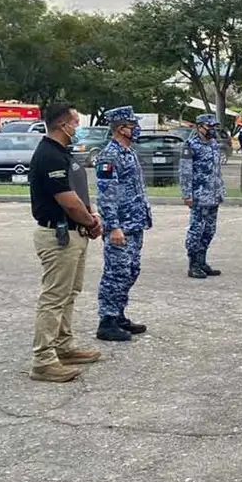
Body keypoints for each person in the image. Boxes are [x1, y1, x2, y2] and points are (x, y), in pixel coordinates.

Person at [27, 102, 103, 382]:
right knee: (54, 297)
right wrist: (91, 222)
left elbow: (78, 194)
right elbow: (68, 202)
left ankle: (62, 346)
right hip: (58, 235)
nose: (78, 128)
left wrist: (89, 217)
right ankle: (43, 360)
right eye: (76, 122)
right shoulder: (49, 155)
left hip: (74, 232)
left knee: (69, 294)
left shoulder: (62, 152)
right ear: (62, 124)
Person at [95, 106, 152, 343]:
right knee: (115, 273)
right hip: (120, 225)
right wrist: (113, 226)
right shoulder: (110, 156)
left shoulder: (128, 152)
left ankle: (118, 314)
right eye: (133, 125)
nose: (137, 129)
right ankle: (106, 321)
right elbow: (106, 194)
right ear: (121, 129)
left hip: (134, 222)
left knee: (131, 270)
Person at [180, 114, 226, 279]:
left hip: (213, 196)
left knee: (209, 230)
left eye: (214, 127)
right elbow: (185, 172)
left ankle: (202, 261)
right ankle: (193, 265)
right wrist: (187, 194)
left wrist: (220, 191)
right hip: (199, 196)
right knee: (196, 231)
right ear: (199, 127)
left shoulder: (214, 145)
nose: (212, 130)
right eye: (209, 127)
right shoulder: (191, 145)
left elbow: (216, 171)